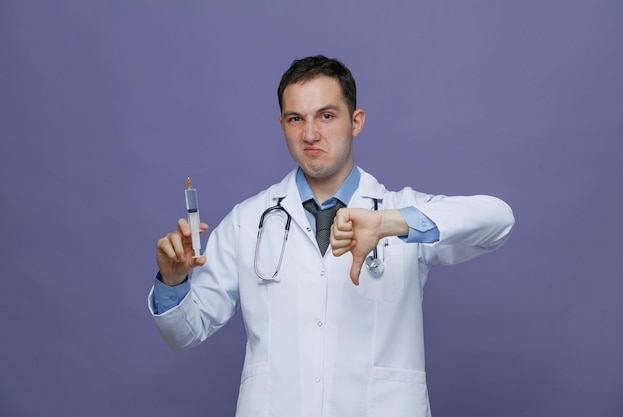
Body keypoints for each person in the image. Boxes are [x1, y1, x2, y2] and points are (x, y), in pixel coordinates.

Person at [149, 55, 515, 417]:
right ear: (281, 125)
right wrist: (173, 280)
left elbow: (498, 220)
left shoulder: (399, 208)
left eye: (326, 116)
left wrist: (390, 223)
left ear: (356, 122)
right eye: (296, 119)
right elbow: (184, 334)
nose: (310, 134)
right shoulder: (249, 220)